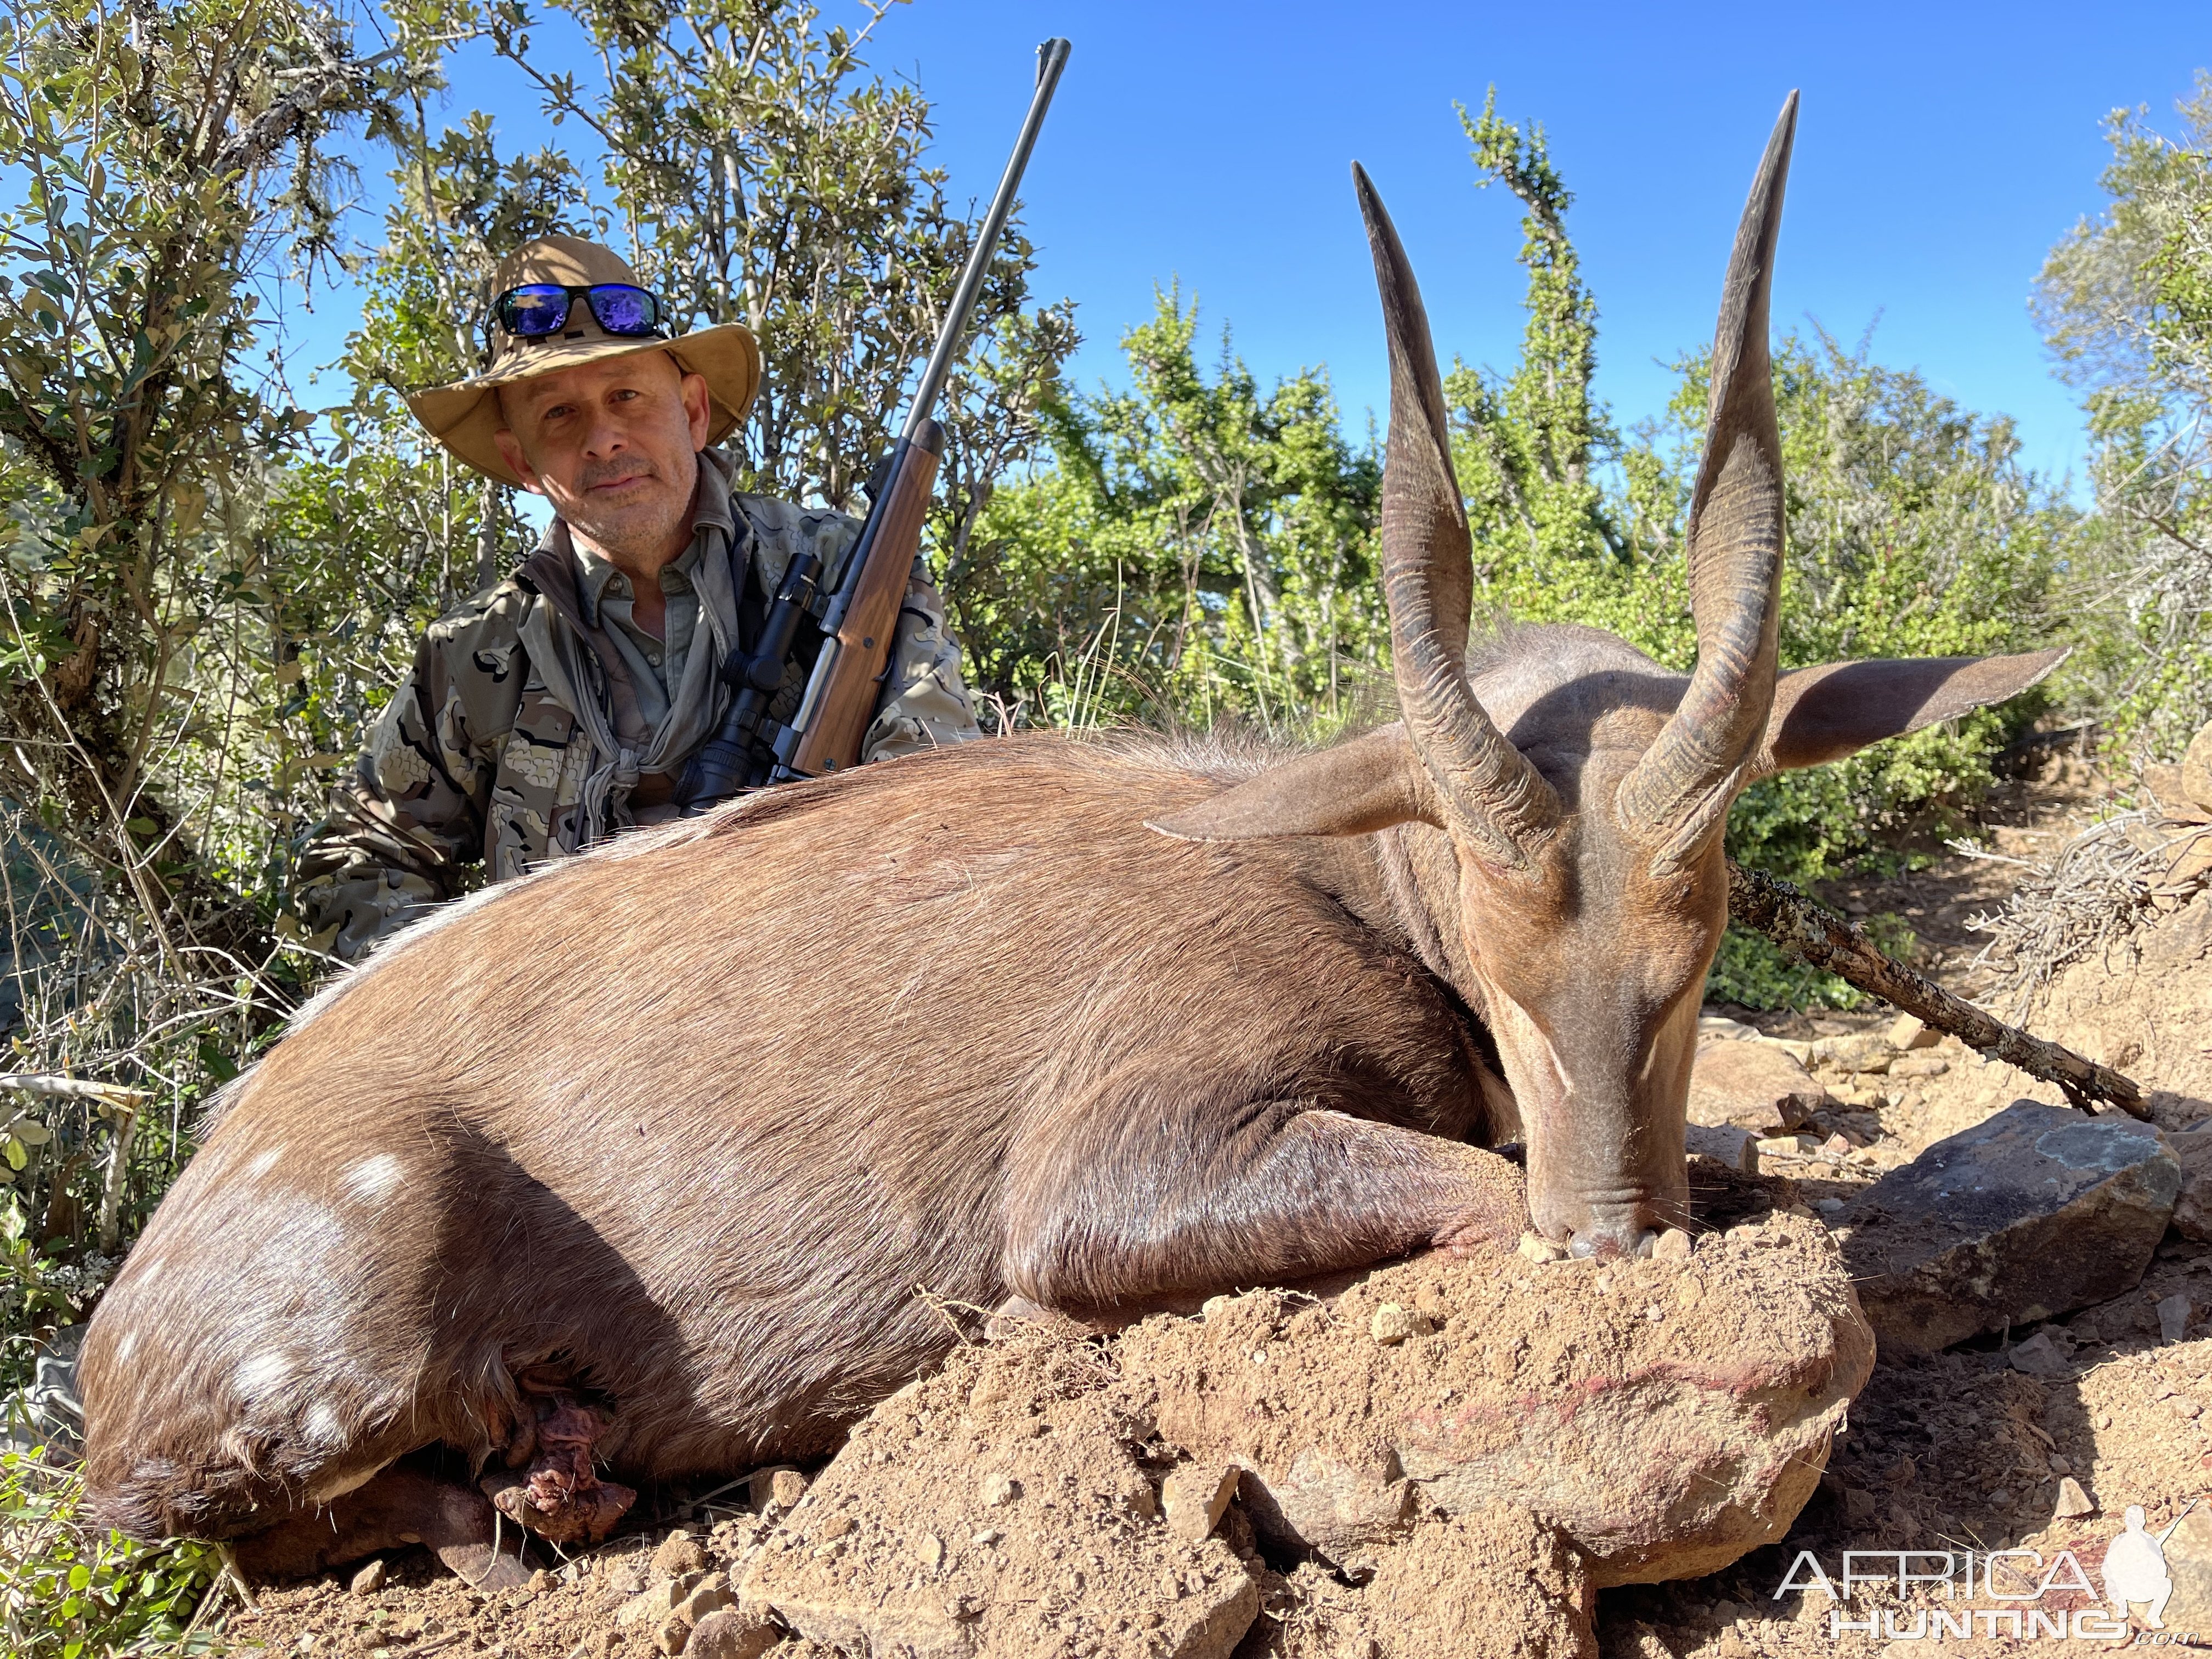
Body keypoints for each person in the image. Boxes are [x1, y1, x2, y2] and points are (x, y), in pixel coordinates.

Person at [294, 235, 983, 960]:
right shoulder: (475, 650)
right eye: (558, 413)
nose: (603, 439)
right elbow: (356, 860)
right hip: (567, 1049)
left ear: (690, 410)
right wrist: (478, 1017)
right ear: (521, 460)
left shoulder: (847, 568)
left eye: (627, 395)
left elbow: (943, 801)